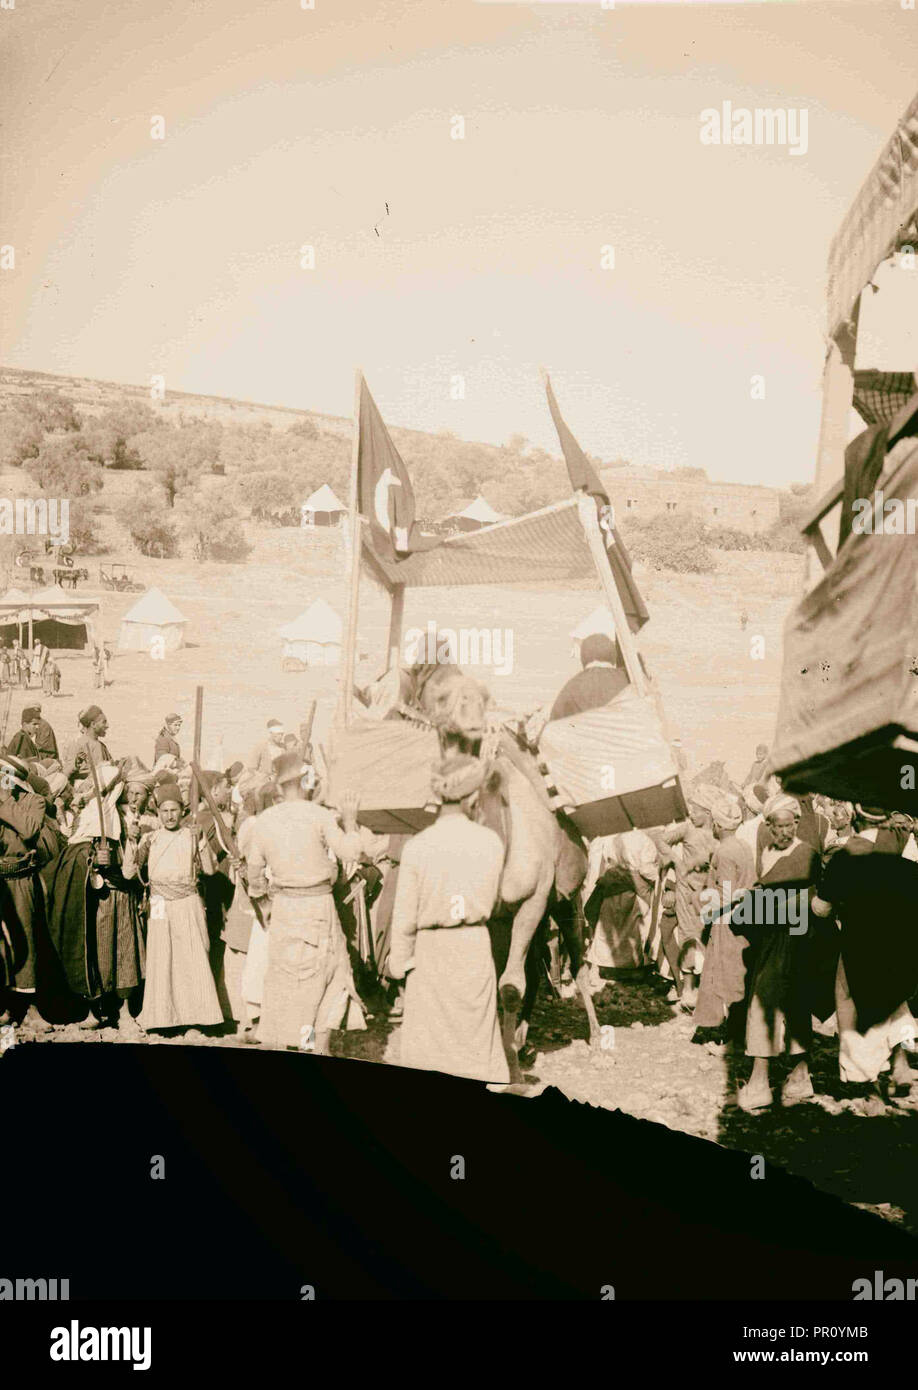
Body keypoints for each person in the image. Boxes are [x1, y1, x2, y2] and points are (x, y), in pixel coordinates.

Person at [388, 753, 510, 1084]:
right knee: (474, 1042)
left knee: (431, 1046)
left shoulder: (417, 846)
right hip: (472, 945)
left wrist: (398, 964)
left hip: (431, 950)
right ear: (473, 797)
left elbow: (404, 917)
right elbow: (497, 900)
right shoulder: (491, 843)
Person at [243, 753, 365, 1054]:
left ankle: (297, 1044)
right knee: (327, 979)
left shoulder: (265, 821)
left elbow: (253, 872)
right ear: (305, 781)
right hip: (317, 905)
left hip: (284, 906)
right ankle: (318, 1047)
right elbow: (351, 852)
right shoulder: (319, 815)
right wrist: (350, 823)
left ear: (280, 785)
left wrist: (265, 902)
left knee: (290, 984)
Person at [736, 793, 834, 1112]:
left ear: (797, 823)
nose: (784, 832)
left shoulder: (805, 854)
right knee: (791, 1001)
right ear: (767, 826)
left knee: (769, 1001)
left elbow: (811, 898)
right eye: (777, 826)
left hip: (796, 936)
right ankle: (795, 1078)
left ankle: (764, 1081)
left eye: (790, 825)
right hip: (775, 935)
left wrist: (756, 904)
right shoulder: (766, 852)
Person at [812, 806, 918, 1096]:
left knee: (852, 1006)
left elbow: (822, 908)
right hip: (900, 941)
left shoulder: (846, 857)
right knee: (897, 1003)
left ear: (857, 817)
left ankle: (868, 1085)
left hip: (860, 943)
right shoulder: (906, 846)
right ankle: (901, 1060)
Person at [43, 762, 146, 1031]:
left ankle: (124, 1012)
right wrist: (92, 860)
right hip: (97, 900)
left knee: (124, 953)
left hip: (121, 895)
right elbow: (76, 852)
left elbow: (129, 868)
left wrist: (120, 853)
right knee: (97, 953)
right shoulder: (89, 817)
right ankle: (95, 1010)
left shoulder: (124, 819)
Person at [134, 783, 224, 1034]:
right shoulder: (150, 838)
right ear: (158, 812)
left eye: (174, 810)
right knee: (162, 958)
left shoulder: (191, 835)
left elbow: (209, 870)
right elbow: (131, 871)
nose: (169, 816)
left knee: (190, 958)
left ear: (182, 810)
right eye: (164, 810)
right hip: (160, 903)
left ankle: (196, 1020)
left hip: (187, 901)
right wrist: (133, 842)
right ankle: (162, 1019)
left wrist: (202, 841)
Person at [0, 755, 65, 1031]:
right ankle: (3, 1007)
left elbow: (28, 829)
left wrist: (4, 801)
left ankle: (29, 1009)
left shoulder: (34, 801)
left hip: (21, 878)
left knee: (25, 939)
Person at [548, 633, 631, 723]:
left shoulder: (571, 687)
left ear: (583, 656)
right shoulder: (629, 679)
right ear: (613, 654)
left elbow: (555, 725)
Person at [66, 706, 112, 781]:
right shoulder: (77, 744)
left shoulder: (102, 746)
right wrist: (76, 764)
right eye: (104, 722)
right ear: (93, 724)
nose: (107, 726)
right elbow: (65, 775)